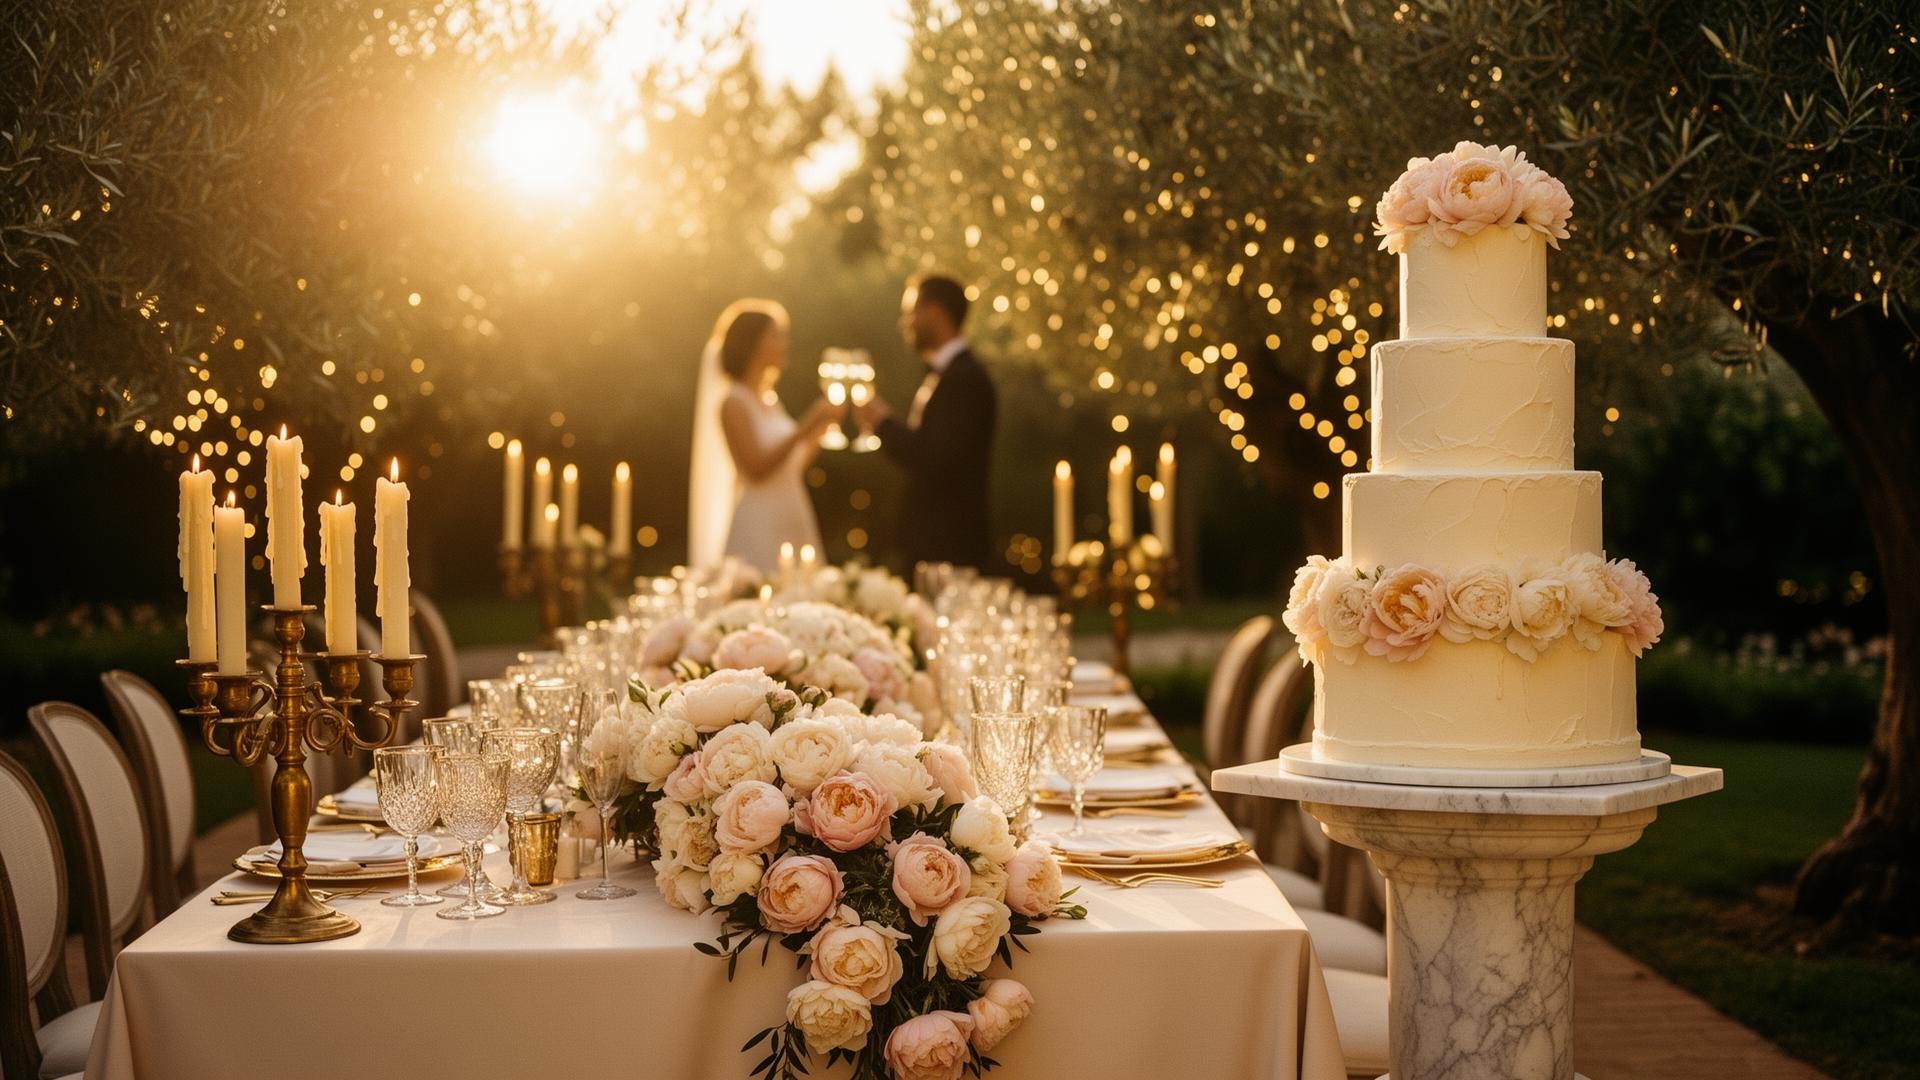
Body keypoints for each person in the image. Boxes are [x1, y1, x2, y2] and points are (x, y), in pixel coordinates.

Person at [687, 300, 844, 575]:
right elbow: (756, 469)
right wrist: (807, 425)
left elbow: (791, 467)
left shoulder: (770, 400)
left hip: (791, 511)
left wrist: (822, 429)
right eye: (776, 336)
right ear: (753, 343)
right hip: (759, 520)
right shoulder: (733, 402)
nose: (784, 344)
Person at [854, 273, 997, 570]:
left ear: (934, 312)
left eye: (910, 313)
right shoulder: (950, 375)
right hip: (934, 541)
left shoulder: (965, 380)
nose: (905, 323)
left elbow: (937, 457)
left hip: (949, 544)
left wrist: (882, 423)